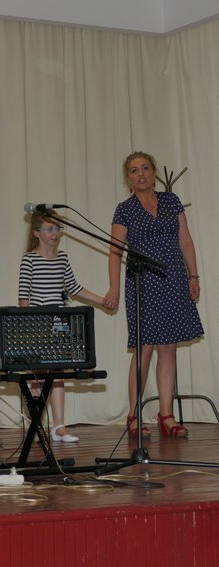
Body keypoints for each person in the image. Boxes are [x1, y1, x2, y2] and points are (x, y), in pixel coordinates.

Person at [103, 151, 203, 439]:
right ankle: (134, 416)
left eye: (145, 168)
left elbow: (185, 240)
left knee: (169, 347)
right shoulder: (124, 209)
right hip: (143, 282)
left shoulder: (171, 201)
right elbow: (115, 251)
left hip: (173, 279)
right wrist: (113, 288)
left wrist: (193, 275)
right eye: (134, 170)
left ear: (154, 172)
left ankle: (166, 416)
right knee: (144, 348)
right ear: (128, 178)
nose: (141, 173)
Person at [18, 212, 104, 443]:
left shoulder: (62, 258)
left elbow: (74, 288)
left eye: (57, 228)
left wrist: (102, 300)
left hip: (59, 325)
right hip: (37, 323)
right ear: (37, 233)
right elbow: (23, 298)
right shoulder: (29, 260)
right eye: (49, 228)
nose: (54, 233)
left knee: (57, 374)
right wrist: (28, 327)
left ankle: (59, 426)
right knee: (37, 375)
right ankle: (36, 424)